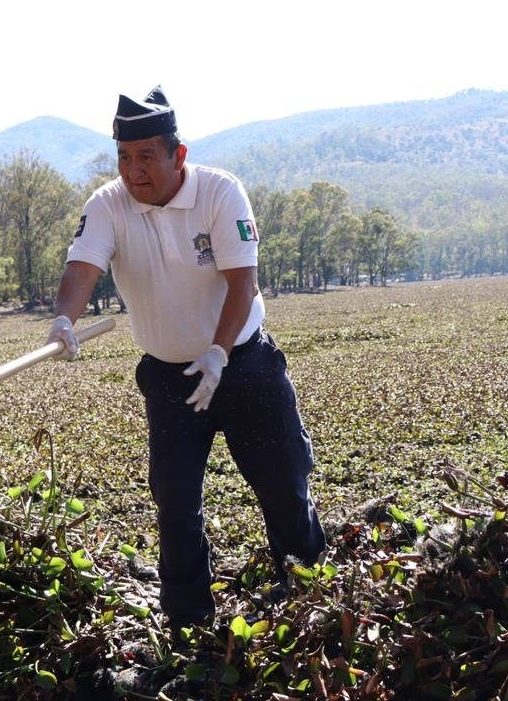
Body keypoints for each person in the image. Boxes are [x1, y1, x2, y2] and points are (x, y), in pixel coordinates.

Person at [47, 86, 326, 631]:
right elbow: (82, 270)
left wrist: (220, 354)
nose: (133, 171)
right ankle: (188, 619)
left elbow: (241, 281)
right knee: (174, 503)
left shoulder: (220, 193)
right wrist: (64, 319)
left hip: (243, 366)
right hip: (169, 378)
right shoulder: (107, 204)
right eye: (124, 157)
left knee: (283, 483)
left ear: (179, 154)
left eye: (146, 156)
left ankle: (308, 593)